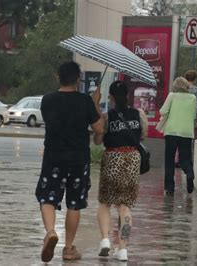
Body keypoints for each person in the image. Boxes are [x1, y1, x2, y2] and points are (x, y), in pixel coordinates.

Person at [35, 61, 104, 262]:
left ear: (58, 77)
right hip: (78, 159)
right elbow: (99, 129)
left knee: (47, 197)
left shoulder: (47, 100)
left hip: (53, 157)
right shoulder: (85, 102)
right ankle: (68, 248)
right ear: (78, 79)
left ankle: (50, 232)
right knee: (74, 203)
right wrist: (95, 103)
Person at [92, 81, 148, 261]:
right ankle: (123, 249)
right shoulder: (139, 115)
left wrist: (96, 108)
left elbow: (97, 140)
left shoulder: (107, 117)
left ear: (111, 98)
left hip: (112, 159)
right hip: (132, 159)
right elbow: (143, 135)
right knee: (125, 207)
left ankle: (106, 240)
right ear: (128, 96)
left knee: (105, 203)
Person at [159, 77, 196, 196]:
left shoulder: (172, 96)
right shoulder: (193, 98)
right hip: (186, 133)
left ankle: (170, 189)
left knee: (169, 160)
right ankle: (189, 173)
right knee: (185, 159)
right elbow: (194, 115)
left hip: (171, 132)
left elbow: (162, 111)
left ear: (175, 86)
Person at [185, 70, 197, 138]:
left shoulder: (182, 89)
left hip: (181, 114)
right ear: (195, 79)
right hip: (192, 115)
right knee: (190, 135)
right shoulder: (196, 90)